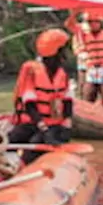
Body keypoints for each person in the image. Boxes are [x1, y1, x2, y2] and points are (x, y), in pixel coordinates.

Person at [9, 29, 74, 162]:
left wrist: (67, 123)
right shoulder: (33, 72)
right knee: (10, 141)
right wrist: (42, 126)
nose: (66, 53)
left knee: (32, 151)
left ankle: (30, 162)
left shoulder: (63, 74)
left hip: (54, 125)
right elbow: (29, 105)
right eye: (63, 50)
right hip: (35, 122)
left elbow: (67, 102)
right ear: (55, 51)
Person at [65, 10, 103, 108]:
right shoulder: (83, 34)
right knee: (88, 96)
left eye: (94, 22)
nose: (91, 24)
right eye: (89, 22)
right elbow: (69, 24)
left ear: (99, 23)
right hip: (92, 70)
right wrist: (76, 11)